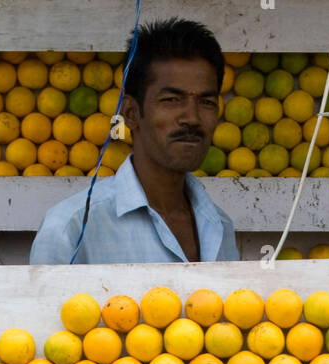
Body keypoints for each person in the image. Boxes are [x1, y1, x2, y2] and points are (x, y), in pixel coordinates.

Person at [30, 19, 239, 265]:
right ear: (130, 113)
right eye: (171, 100)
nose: (192, 118)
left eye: (206, 102)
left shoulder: (219, 226)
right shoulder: (71, 229)